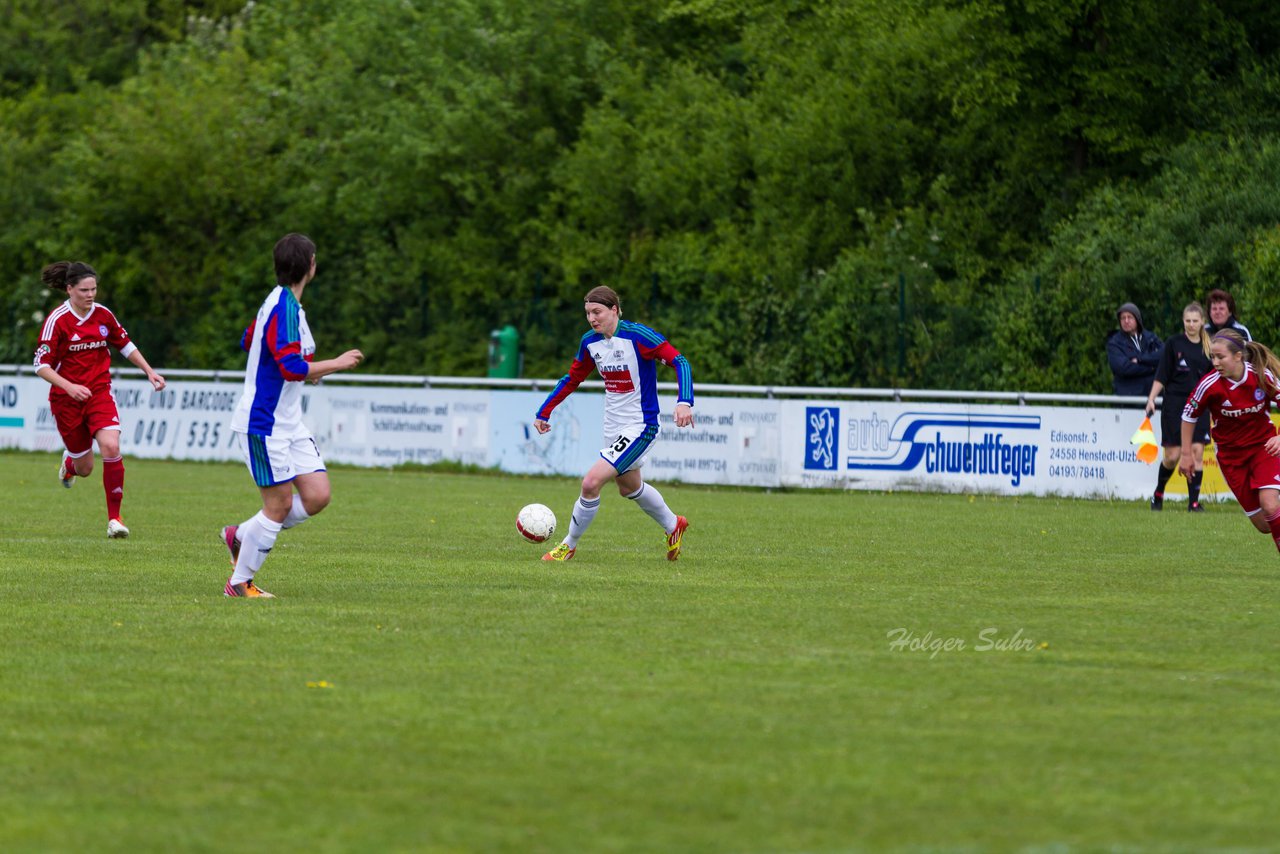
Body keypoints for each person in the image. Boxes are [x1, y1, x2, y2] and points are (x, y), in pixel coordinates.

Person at [219, 233, 364, 598]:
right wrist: (334, 365)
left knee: (317, 496)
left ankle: (241, 535)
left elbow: (249, 341)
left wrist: (304, 371)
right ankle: (239, 583)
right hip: (263, 422)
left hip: (288, 422)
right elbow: (289, 366)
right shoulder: (282, 307)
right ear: (309, 266)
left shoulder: (283, 304)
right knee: (280, 505)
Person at [533, 285, 694, 562]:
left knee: (591, 483)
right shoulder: (590, 342)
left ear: (614, 310)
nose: (592, 318)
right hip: (612, 427)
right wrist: (544, 411)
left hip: (641, 426)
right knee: (629, 488)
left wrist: (684, 401)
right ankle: (673, 525)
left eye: (597, 312)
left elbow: (680, 361)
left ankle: (568, 546)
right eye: (587, 313)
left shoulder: (638, 336)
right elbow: (572, 379)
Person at [33, 261, 166, 538]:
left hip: (99, 393)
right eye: (84, 290)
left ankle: (114, 519)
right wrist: (69, 386)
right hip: (66, 400)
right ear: (69, 289)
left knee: (110, 445)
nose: (90, 295)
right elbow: (41, 365)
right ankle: (70, 464)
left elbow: (125, 344)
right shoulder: (57, 321)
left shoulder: (103, 315)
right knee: (86, 468)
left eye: (94, 289)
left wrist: (149, 371)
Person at [1180, 329, 1280, 550]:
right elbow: (1188, 415)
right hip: (1231, 457)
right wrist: (1186, 454)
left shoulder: (1261, 375)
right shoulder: (1210, 385)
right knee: (1264, 524)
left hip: (1263, 448)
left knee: (1270, 503)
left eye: (1220, 357)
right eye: (1213, 357)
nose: (1215, 362)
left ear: (1238, 356)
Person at [1145, 302, 1213, 512]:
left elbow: (1215, 379)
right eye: (1187, 321)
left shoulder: (1209, 346)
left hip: (1199, 405)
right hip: (1174, 404)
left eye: (1195, 321)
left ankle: (1193, 503)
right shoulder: (1174, 343)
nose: (1191, 325)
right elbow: (1162, 374)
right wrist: (1151, 399)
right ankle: (1159, 493)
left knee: (1196, 453)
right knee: (1173, 456)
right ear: (1183, 321)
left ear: (1202, 322)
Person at [1106, 302, 1162, 396]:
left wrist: (1140, 360)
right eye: (1123, 318)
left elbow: (1164, 355)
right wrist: (1153, 367)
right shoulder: (1114, 343)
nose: (1126, 321)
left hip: (1154, 397)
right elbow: (1124, 368)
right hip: (1129, 398)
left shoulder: (1151, 338)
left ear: (1137, 319)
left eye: (1130, 317)